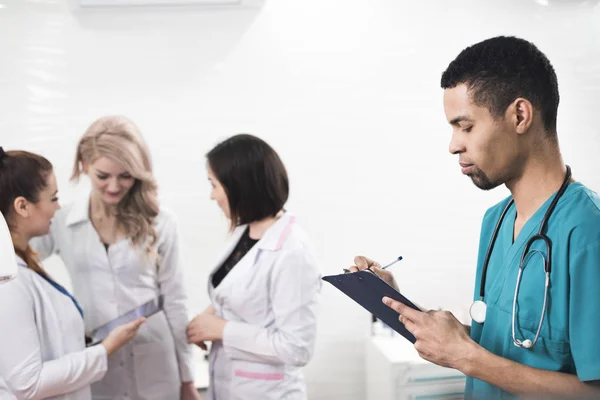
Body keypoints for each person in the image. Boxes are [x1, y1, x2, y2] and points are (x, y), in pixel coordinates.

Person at [350, 36, 600, 399]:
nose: (453, 144)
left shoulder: (587, 232)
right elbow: (500, 346)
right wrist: (398, 306)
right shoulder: (496, 221)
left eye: (465, 127)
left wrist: (469, 359)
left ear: (519, 116)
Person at [31, 116, 199, 400]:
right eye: (103, 176)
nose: (114, 186)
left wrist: (188, 380)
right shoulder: (61, 221)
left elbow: (176, 301)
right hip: (96, 360)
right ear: (84, 165)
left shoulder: (162, 222)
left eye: (125, 176)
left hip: (155, 360)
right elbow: (18, 258)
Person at [0, 148, 144, 400]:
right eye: (53, 198)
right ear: (23, 206)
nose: (58, 208)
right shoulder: (9, 281)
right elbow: (27, 384)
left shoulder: (23, 263)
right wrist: (104, 350)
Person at [186, 134, 321, 400]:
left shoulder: (293, 253)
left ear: (240, 187)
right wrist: (206, 319)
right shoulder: (247, 232)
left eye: (215, 185)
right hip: (230, 384)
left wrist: (219, 329)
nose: (212, 196)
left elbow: (297, 348)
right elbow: (245, 294)